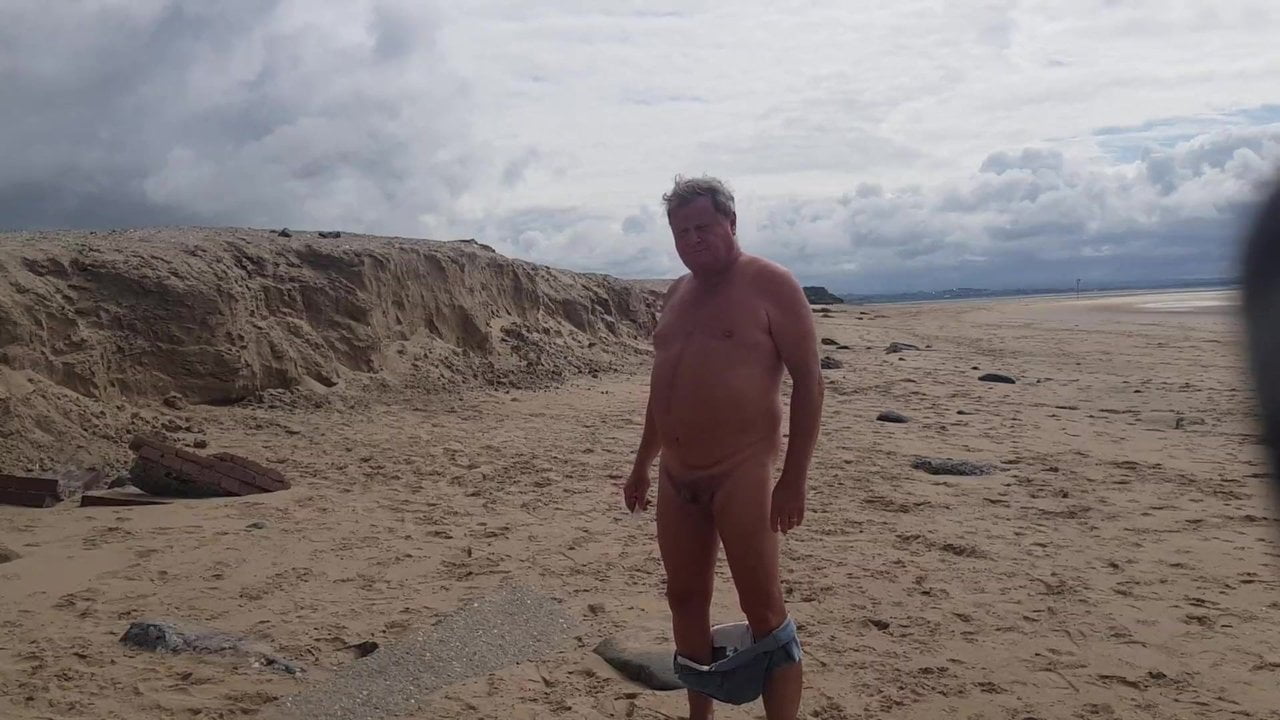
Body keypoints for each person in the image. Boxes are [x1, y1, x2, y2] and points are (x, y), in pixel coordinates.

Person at [624, 175, 824, 720]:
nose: (692, 239)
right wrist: (643, 463)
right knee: (685, 600)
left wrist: (794, 479)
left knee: (763, 610)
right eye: (681, 231)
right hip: (677, 473)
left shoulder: (771, 284)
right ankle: (700, 715)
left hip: (743, 470)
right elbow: (663, 390)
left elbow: (809, 382)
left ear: (731, 223)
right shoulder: (676, 294)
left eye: (703, 226)